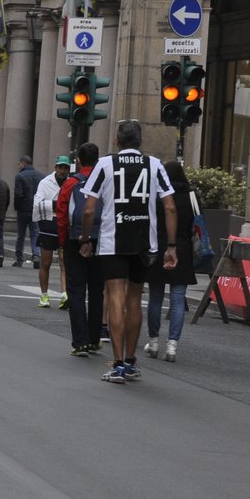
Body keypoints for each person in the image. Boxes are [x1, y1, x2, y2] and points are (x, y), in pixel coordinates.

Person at [80, 119, 178, 384]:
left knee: (115, 298)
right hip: (145, 243)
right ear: (140, 142)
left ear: (117, 141)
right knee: (135, 299)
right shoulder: (155, 165)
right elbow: (170, 206)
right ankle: (132, 360)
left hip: (113, 241)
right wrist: (171, 246)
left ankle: (118, 363)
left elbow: (89, 209)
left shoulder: (105, 164)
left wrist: (85, 238)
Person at [144, 159, 197, 362]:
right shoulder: (191, 195)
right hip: (182, 247)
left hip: (158, 246)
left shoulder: (158, 194)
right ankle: (172, 346)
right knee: (177, 299)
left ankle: (154, 341)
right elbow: (196, 222)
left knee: (156, 296)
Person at [58, 143, 105, 357]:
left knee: (76, 291)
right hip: (101, 239)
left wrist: (63, 242)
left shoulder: (70, 183)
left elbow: (61, 215)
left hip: (75, 239)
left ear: (78, 159)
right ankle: (95, 338)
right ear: (97, 159)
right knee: (97, 290)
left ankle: (80, 342)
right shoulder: (104, 181)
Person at [32, 156, 70, 307]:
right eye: (60, 167)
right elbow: (37, 203)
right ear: (55, 168)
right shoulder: (45, 183)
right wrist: (57, 204)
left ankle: (64, 294)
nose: (62, 170)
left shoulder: (71, 183)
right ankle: (44, 295)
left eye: (65, 168)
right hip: (48, 224)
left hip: (64, 224)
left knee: (64, 262)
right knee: (45, 263)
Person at [12, 155, 40, 267]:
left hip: (23, 209)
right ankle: (36, 255)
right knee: (35, 233)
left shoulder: (20, 176)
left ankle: (19, 258)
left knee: (21, 235)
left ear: (23, 163)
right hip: (35, 209)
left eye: (19, 164)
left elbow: (18, 194)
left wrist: (17, 207)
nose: (18, 166)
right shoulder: (40, 176)